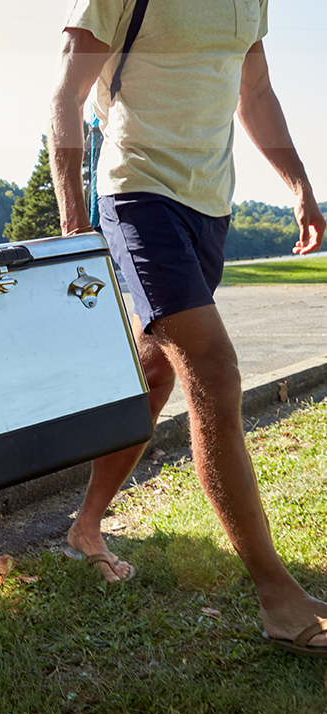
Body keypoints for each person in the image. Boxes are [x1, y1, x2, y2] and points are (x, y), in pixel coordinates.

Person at [47, 0, 326, 657]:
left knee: (156, 367)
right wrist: (69, 225)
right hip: (135, 195)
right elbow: (64, 93)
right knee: (213, 368)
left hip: (208, 208)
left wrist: (299, 186)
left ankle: (83, 526)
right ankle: (277, 597)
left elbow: (252, 91)